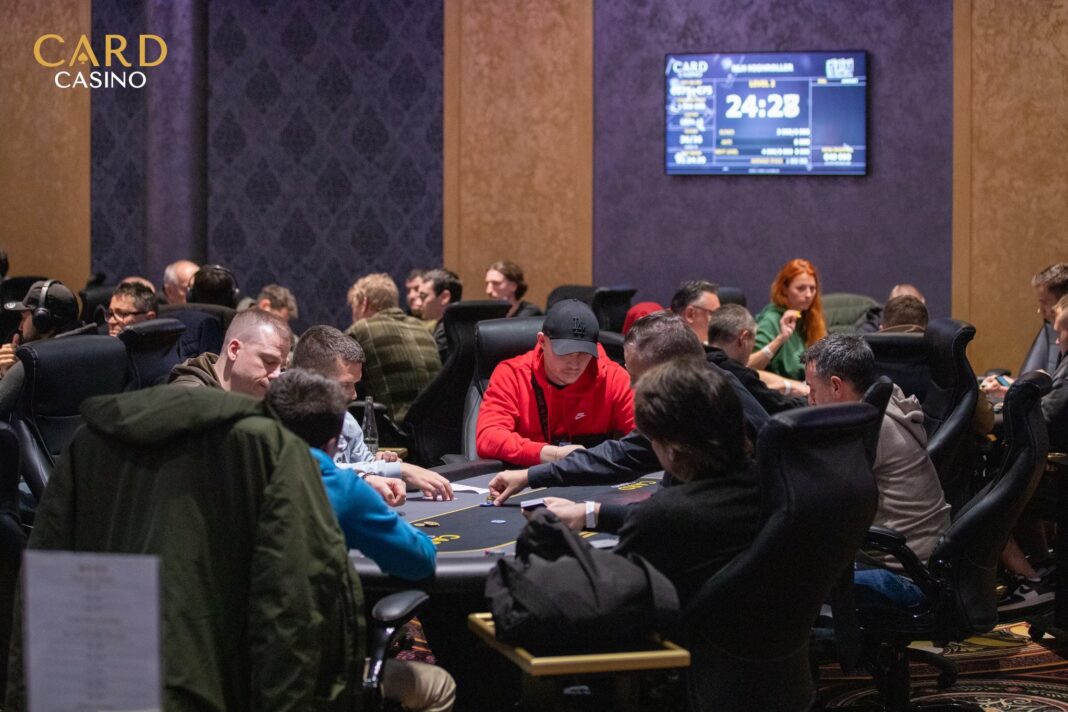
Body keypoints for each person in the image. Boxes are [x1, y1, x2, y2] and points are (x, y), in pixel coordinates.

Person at [5, 381, 365, 710]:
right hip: (218, 686)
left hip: (105, 688)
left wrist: (24, 698)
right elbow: (294, 596)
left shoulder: (86, 442)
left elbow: (41, 587)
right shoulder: (274, 448)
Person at [265, 369, 456, 712]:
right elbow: (419, 559)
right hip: (305, 675)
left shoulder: (234, 472)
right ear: (334, 443)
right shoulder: (341, 488)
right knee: (438, 686)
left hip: (227, 666)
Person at [529, 359, 762, 605]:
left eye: (651, 439)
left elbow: (604, 594)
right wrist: (591, 513)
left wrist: (544, 538)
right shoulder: (771, 485)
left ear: (672, 450)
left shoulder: (664, 515)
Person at [488, 311, 770, 504]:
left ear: (672, 371)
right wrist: (590, 513)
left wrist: (533, 477)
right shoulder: (711, 386)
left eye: (639, 377)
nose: (633, 386)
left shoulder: (701, 409)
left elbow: (625, 455)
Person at [803, 333, 950, 605]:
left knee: (790, 578)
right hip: (921, 566)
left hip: (906, 579)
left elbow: (819, 492)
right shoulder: (884, 403)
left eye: (812, 389)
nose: (809, 399)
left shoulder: (870, 430)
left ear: (836, 386)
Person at [293, 325, 453, 502]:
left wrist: (382, 464)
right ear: (310, 378)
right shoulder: (285, 418)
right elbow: (318, 471)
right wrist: (399, 470)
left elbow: (365, 467)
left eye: (355, 384)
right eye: (345, 385)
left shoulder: (346, 420)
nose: (354, 395)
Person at [476, 299, 634, 467]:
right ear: (542, 341)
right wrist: (553, 454)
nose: (575, 364)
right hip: (528, 476)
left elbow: (648, 435)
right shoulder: (512, 375)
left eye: (584, 353)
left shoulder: (614, 378)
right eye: (565, 352)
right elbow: (488, 438)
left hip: (593, 477)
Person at [346, 273, 441, 422]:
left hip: (393, 429)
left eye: (353, 307)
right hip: (434, 426)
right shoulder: (424, 329)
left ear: (363, 303)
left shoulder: (360, 331)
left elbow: (339, 388)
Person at [0, 280, 83, 418]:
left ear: (42, 322)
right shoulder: (92, 353)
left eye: (24, 318)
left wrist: (5, 375)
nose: (20, 326)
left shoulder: (30, 365)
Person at [706, 304, 807, 413]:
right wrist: (811, 398)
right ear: (743, 338)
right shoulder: (740, 376)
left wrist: (786, 385)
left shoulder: (697, 362)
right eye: (754, 340)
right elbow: (780, 406)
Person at [169, 308, 290, 397]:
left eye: (282, 369)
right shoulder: (189, 399)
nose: (277, 375)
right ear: (234, 350)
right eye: (269, 361)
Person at [749, 258, 827, 380]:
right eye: (801, 288)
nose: (808, 295)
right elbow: (748, 366)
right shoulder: (771, 320)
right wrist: (781, 339)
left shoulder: (809, 316)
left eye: (812, 288)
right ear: (784, 289)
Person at [418, 268, 463, 362]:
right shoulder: (460, 325)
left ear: (444, 297)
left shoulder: (446, 332)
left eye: (423, 296)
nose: (419, 303)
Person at [669, 280, 720, 345]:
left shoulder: (712, 347)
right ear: (690, 314)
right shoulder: (663, 349)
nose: (719, 321)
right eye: (713, 314)